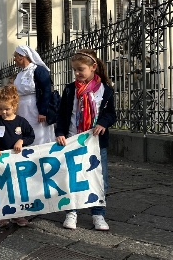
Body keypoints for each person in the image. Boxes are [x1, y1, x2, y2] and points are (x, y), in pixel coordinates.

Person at [55, 49, 116, 231]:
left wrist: (103, 123)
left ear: (93, 67)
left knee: (99, 178)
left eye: (80, 69)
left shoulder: (106, 91)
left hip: (96, 142)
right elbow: (63, 114)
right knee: (71, 176)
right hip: (73, 139)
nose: (77, 73)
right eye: (74, 70)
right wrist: (60, 132)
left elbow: (111, 114)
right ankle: (71, 212)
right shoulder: (70, 89)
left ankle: (98, 213)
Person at [0, 85, 35, 228]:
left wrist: (22, 141)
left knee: (18, 187)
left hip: (17, 161)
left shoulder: (21, 122)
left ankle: (19, 215)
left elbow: (31, 136)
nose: (4, 112)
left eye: (7, 109)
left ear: (14, 106)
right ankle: (1, 214)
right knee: (2, 188)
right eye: (1, 109)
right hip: (0, 161)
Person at [13, 45, 54, 145]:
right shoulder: (20, 74)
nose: (14, 59)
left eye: (15, 56)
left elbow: (46, 90)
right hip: (22, 109)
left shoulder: (38, 70)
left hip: (34, 108)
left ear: (22, 57)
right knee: (24, 131)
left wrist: (43, 111)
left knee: (38, 132)